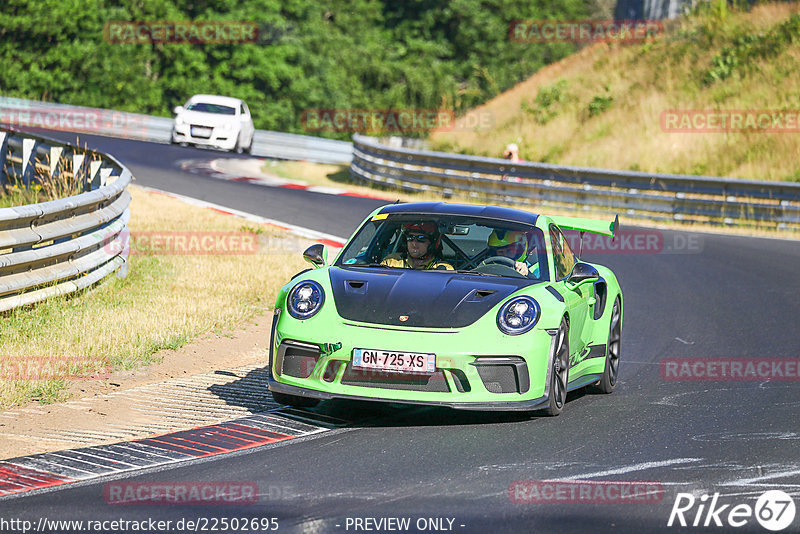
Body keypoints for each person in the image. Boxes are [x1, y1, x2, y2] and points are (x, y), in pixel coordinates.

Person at [382, 222, 453, 270]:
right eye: (410, 237)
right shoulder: (391, 262)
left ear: (432, 243)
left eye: (421, 238)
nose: (414, 243)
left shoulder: (444, 269)